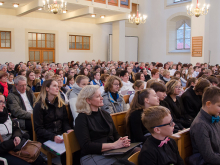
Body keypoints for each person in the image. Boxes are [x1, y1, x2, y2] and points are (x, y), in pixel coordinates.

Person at [75, 85, 132, 165]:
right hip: (92, 155)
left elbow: (115, 134)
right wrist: (113, 145)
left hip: (111, 151)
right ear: (88, 100)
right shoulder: (81, 119)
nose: (102, 98)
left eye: (101, 95)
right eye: (98, 96)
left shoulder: (105, 114)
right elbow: (86, 146)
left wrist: (122, 141)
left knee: (140, 151)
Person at [33, 79, 73, 165]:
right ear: (47, 89)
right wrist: (53, 137)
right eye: (54, 86)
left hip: (60, 135)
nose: (57, 88)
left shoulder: (60, 103)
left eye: (57, 86)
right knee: (67, 151)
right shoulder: (39, 106)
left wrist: (68, 130)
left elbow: (65, 122)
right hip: (47, 137)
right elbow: (38, 129)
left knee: (75, 147)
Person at [0, 93, 46, 165]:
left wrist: (17, 136)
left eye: (4, 102)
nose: (3, 105)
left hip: (15, 145)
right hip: (5, 151)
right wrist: (11, 143)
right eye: (0, 102)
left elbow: (15, 128)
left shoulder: (5, 114)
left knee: (38, 159)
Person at [189, 86, 220, 165]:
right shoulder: (200, 125)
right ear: (208, 104)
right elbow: (209, 157)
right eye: (219, 106)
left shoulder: (215, 117)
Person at [7, 76, 36, 140]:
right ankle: (33, 142)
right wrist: (32, 115)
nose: (24, 88)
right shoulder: (11, 95)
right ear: (16, 85)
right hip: (22, 119)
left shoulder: (28, 91)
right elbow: (17, 111)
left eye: (25, 85)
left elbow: (35, 102)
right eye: (21, 86)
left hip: (33, 114)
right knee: (33, 124)